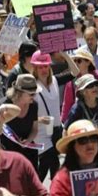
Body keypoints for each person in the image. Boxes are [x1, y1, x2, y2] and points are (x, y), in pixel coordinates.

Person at [31, 51, 78, 182]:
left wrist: (64, 54)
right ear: (34, 68)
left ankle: (51, 193)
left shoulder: (55, 81)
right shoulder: (31, 87)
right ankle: (36, 191)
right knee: (49, 162)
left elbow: (75, 71)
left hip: (56, 130)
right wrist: (39, 119)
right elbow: (23, 111)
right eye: (40, 67)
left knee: (52, 166)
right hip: (40, 133)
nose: (43, 70)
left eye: (46, 66)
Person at [0, 74, 40, 172]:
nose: (34, 96)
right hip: (7, 153)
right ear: (20, 93)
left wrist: (28, 141)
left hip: (28, 151)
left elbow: (35, 129)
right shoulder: (3, 106)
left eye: (35, 93)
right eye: (31, 94)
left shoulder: (33, 106)